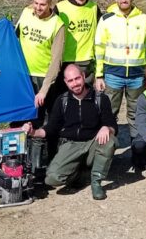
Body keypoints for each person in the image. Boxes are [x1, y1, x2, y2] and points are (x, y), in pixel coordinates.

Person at [26, 64, 117, 200]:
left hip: (93, 143)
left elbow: (113, 125)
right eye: (70, 81)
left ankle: (96, 182)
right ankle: (80, 174)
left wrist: (107, 128)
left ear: (83, 77)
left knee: (110, 141)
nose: (75, 84)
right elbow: (50, 129)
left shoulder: (100, 99)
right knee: (52, 178)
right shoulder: (62, 101)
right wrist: (33, 132)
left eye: (77, 79)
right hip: (71, 145)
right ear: (65, 82)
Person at [94, 0, 146, 144]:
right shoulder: (106, 19)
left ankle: (138, 152)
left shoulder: (143, 19)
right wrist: (99, 75)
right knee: (109, 113)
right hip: (112, 75)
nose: (124, 0)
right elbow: (99, 47)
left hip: (137, 76)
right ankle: (107, 153)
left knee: (136, 114)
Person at [15, 0, 66, 127]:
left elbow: (56, 61)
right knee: (19, 117)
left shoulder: (57, 24)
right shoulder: (25, 12)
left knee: (39, 120)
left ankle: (39, 148)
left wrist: (44, 90)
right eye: (36, 3)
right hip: (22, 74)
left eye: (42, 4)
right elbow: (13, 37)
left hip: (42, 78)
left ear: (50, 4)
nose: (38, 7)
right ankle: (19, 148)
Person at [57, 0, 101, 85]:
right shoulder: (60, 7)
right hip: (65, 60)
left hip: (86, 61)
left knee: (85, 96)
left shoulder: (94, 8)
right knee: (65, 97)